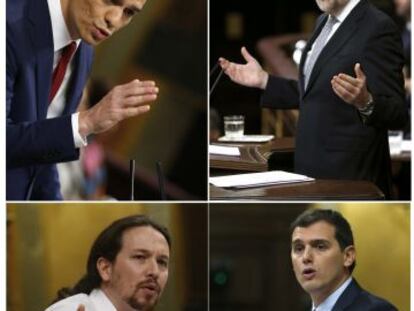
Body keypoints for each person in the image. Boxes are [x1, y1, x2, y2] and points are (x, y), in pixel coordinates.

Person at [219, 0, 408, 198]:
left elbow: (397, 112)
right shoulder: (322, 22)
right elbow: (314, 93)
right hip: (308, 170)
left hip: (350, 179)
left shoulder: (378, 26)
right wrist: (264, 81)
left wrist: (365, 102)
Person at [7, 0, 159, 200]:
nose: (113, 19)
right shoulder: (9, 24)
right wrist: (86, 122)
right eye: (110, 1)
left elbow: (43, 156)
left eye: (129, 12)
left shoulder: (84, 53)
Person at [45, 215, 171, 311]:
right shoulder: (71, 308)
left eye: (162, 262)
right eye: (140, 257)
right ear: (105, 268)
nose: (154, 271)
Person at [290, 208, 397, 310]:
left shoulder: (377, 309)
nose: (306, 257)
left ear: (348, 256)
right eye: (299, 248)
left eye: (320, 247)